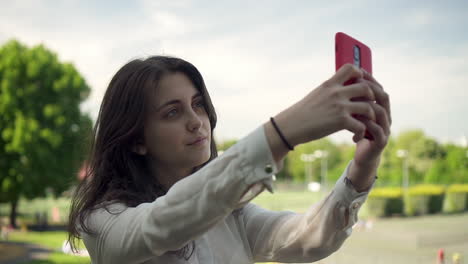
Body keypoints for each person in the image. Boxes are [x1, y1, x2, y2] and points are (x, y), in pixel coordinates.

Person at [67, 55, 391, 263]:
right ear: (136, 140)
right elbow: (160, 224)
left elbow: (304, 239)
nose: (197, 121)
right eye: (172, 112)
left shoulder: (232, 214)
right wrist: (284, 131)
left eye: (198, 104)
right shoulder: (102, 220)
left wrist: (363, 166)